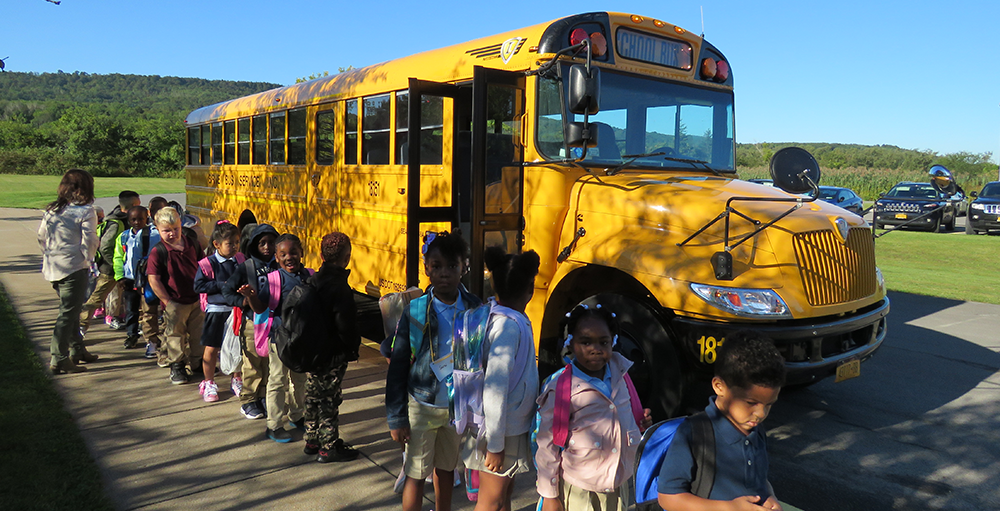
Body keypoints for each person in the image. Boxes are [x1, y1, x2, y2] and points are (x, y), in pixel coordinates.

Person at [386, 231, 480, 511]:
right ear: (426, 268)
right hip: (422, 404)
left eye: (452, 266)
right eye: (436, 267)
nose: (444, 274)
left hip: (455, 408)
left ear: (464, 266)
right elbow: (398, 366)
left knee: (447, 469)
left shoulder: (474, 307)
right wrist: (396, 418)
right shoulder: (416, 310)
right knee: (415, 472)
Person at [534, 304, 653, 511]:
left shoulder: (621, 372)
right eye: (585, 342)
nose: (595, 349)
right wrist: (550, 495)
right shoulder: (562, 388)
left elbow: (624, 415)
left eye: (603, 342)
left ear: (613, 341)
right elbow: (547, 445)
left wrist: (639, 421)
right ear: (571, 343)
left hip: (618, 484)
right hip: (581, 490)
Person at [656, 330, 786, 511]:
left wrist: (770, 497)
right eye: (751, 403)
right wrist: (729, 508)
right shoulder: (693, 434)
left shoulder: (757, 431)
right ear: (719, 386)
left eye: (769, 404)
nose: (760, 413)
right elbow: (668, 498)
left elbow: (759, 480)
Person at [459, 246, 539, 511]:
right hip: (499, 430)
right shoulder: (508, 326)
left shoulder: (498, 317)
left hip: (502, 426)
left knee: (503, 494)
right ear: (530, 288)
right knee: (491, 500)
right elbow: (495, 388)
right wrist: (494, 444)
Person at [238, 233, 311, 443]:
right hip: (279, 338)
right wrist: (251, 297)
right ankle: (274, 424)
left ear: (301, 253)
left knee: (299, 380)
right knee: (277, 381)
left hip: (300, 339)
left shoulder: (308, 276)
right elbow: (262, 308)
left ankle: (297, 415)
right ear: (277, 259)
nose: (290, 257)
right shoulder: (274, 280)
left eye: (294, 252)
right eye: (283, 254)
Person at [302, 232, 362, 462]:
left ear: (320, 255)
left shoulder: (314, 280)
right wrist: (351, 348)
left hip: (312, 350)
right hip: (332, 353)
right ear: (347, 258)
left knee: (313, 395)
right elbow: (346, 327)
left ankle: (312, 438)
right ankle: (328, 446)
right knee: (329, 398)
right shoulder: (340, 287)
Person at [37, 169, 100, 374]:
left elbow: (42, 237)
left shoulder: (53, 209)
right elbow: (90, 240)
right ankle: (59, 357)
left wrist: (50, 254)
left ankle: (78, 350)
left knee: (70, 310)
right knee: (67, 313)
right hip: (73, 268)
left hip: (54, 267)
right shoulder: (85, 210)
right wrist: (88, 259)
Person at [222, 223, 278, 420]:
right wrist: (243, 301)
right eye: (262, 243)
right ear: (254, 245)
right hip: (251, 323)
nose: (267, 247)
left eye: (271, 243)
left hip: (273, 323)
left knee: (269, 363)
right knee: (252, 363)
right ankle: (248, 400)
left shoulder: (279, 265)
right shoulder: (246, 267)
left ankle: (263, 396)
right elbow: (227, 291)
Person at [147, 206, 206, 385]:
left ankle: (197, 363)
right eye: (167, 231)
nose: (172, 234)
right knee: (175, 335)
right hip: (175, 302)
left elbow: (203, 267)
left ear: (181, 225)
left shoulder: (192, 244)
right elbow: (154, 279)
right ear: (158, 230)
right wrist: (167, 301)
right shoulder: (159, 252)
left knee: (198, 334)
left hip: (196, 299)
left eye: (176, 229)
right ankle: (177, 365)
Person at [192, 220, 242, 402]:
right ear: (217, 244)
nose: (235, 247)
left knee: (236, 346)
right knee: (212, 347)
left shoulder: (240, 260)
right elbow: (198, 285)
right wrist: (222, 285)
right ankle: (209, 381)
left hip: (235, 310)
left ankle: (237, 378)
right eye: (230, 243)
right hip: (216, 310)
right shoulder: (207, 263)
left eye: (237, 242)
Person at [82, 191, 141, 340]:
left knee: (127, 298)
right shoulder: (116, 223)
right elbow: (105, 247)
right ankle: (80, 326)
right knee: (97, 298)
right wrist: (117, 266)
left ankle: (131, 324)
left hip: (123, 268)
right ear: (133, 205)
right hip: (112, 270)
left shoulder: (123, 219)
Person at [113, 205, 163, 358]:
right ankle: (131, 334)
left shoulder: (154, 235)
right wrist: (119, 276)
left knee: (148, 309)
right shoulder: (123, 237)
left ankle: (151, 339)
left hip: (148, 279)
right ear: (128, 220)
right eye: (133, 219)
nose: (137, 222)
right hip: (129, 279)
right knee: (131, 308)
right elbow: (118, 258)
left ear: (146, 218)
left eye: (140, 219)